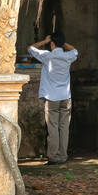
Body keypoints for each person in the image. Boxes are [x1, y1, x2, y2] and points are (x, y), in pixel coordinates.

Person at [28, 30, 78, 164]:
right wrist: (61, 42)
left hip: (52, 98)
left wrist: (45, 41)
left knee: (53, 127)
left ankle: (54, 157)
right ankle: (63, 156)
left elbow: (30, 49)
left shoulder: (47, 56)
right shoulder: (68, 56)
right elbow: (75, 50)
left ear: (52, 44)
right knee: (64, 127)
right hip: (66, 97)